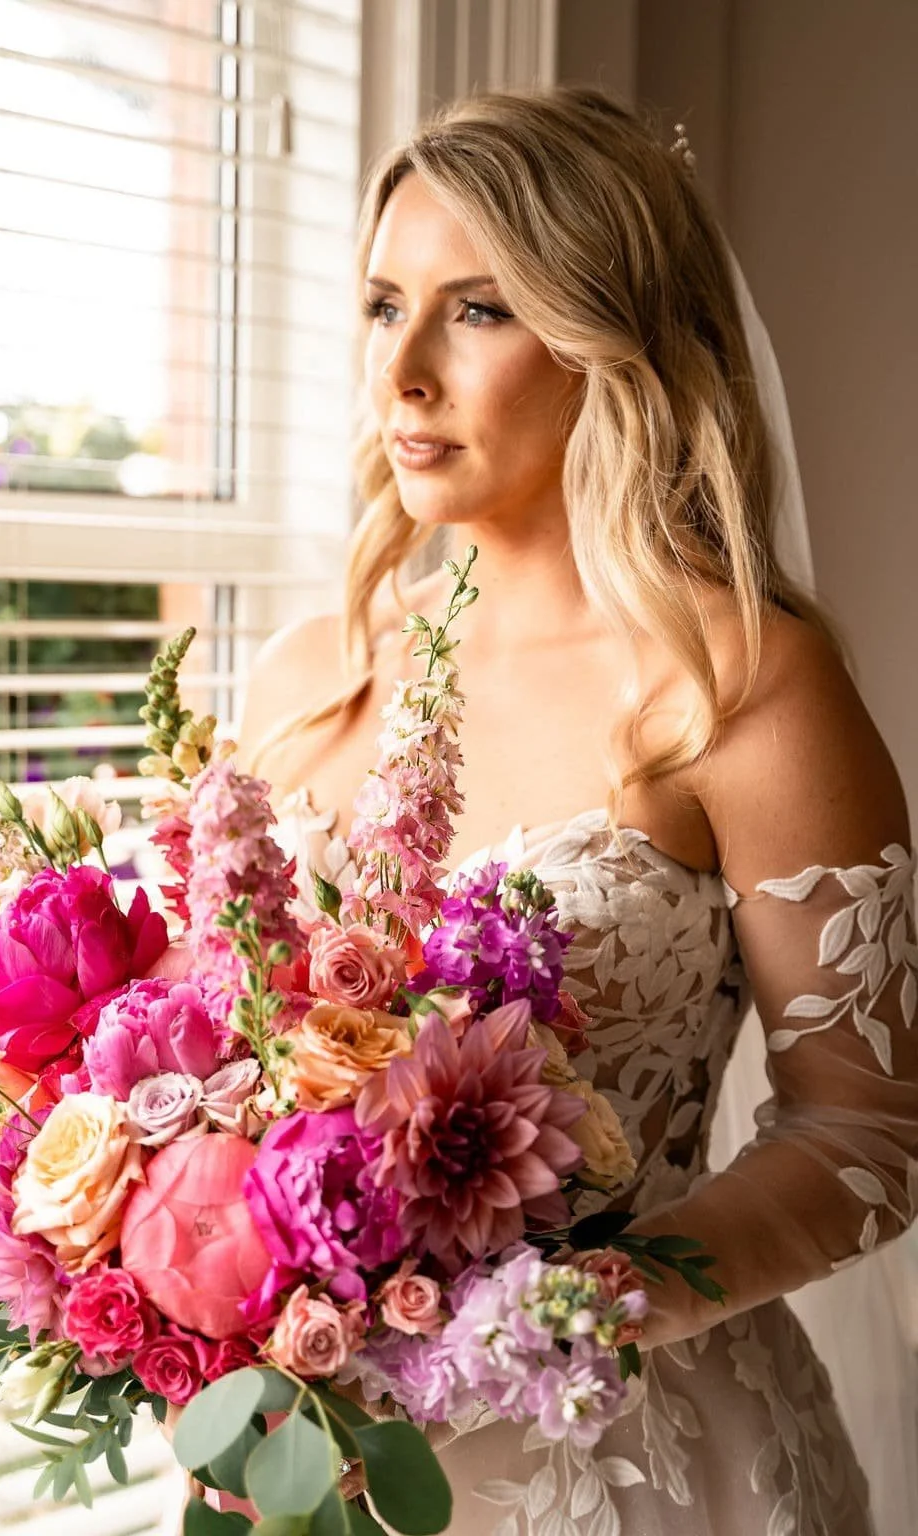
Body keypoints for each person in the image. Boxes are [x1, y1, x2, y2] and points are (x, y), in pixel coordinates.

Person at [236, 86, 917, 1536]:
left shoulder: (736, 684)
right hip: (302, 1462)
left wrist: (600, 1301)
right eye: (381, 305)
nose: (402, 374)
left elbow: (871, 1128)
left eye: (477, 311)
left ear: (612, 342)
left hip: (634, 1465)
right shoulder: (305, 681)